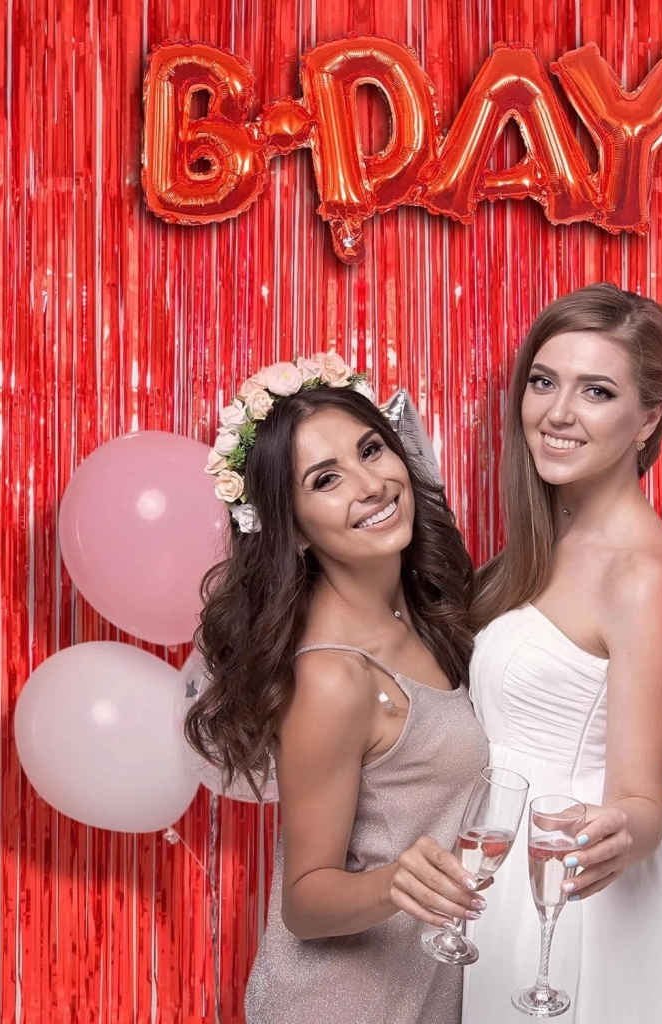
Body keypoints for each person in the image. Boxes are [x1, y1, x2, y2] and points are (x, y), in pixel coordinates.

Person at [185, 356, 490, 1024]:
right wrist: (397, 881)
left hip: (426, 990)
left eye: (371, 450)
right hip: (343, 1004)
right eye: (326, 479)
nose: (372, 485)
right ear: (291, 529)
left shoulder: (423, 611)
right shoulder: (332, 676)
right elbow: (305, 899)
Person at [463, 285, 662, 1022]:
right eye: (544, 381)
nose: (557, 413)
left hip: (573, 888)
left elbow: (642, 801)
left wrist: (619, 833)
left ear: (649, 418)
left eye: (596, 391)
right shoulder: (547, 539)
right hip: (501, 865)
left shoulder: (638, 572)